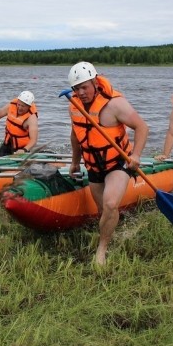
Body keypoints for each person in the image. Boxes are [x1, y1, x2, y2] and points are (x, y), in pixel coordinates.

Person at [67, 62, 149, 266]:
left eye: (84, 86)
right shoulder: (74, 104)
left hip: (118, 161)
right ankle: (113, 227)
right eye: (76, 88)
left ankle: (101, 249)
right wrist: (75, 162)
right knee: (104, 210)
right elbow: (76, 136)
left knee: (111, 204)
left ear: (95, 81)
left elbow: (142, 127)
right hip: (93, 165)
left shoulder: (115, 104)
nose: (81, 92)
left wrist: (136, 155)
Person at [0, 91, 39, 156]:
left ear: (29, 107)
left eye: (23, 106)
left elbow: (33, 140)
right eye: (19, 104)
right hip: (8, 144)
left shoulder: (32, 119)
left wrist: (24, 150)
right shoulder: (11, 106)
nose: (20, 108)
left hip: (21, 149)